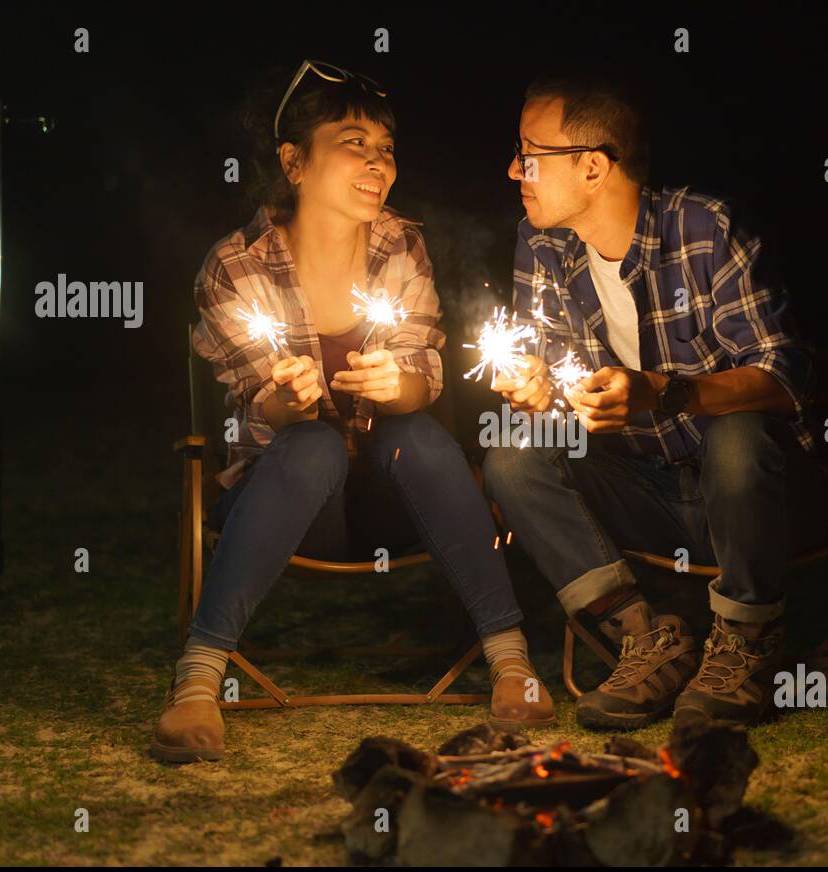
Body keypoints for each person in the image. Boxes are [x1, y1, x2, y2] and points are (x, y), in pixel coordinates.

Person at [151, 61, 553, 763]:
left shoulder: (400, 245)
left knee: (415, 432)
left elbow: (426, 374)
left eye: (386, 148)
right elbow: (256, 403)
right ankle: (198, 681)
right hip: (294, 503)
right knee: (312, 445)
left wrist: (396, 381)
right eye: (353, 143)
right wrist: (288, 397)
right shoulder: (235, 266)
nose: (379, 163)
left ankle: (511, 661)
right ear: (293, 161)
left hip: (398, 502)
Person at [482, 72, 828, 730]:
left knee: (735, 434)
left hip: (760, 495)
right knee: (512, 451)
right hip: (645, 493)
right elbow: (557, 382)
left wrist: (669, 393)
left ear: (593, 167)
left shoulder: (705, 229)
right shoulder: (541, 245)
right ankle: (644, 639)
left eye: (529, 154)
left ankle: (745, 646)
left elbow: (787, 376)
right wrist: (539, 396)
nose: (514, 170)